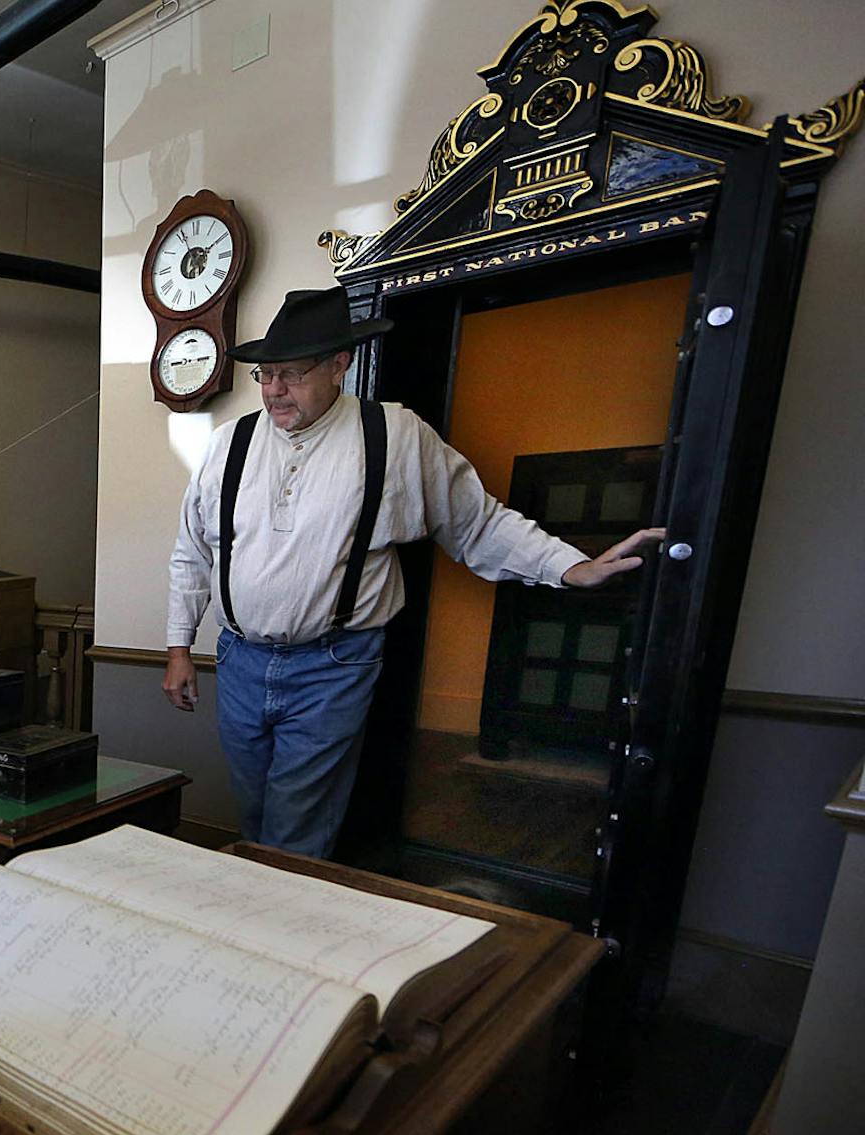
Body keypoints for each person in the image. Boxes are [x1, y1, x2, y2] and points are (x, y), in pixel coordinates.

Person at [161, 287, 661, 858]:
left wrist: (570, 567)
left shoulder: (393, 436)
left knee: (295, 827)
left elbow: (475, 522)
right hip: (240, 660)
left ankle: (278, 921)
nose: (274, 390)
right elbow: (193, 550)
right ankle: (268, 920)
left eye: (292, 374)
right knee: (254, 813)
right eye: (265, 374)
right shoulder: (230, 444)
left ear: (339, 366)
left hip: (333, 665)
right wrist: (179, 648)